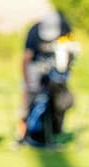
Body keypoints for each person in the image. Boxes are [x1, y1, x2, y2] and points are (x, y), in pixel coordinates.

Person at [17, 9, 74, 144]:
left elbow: (69, 52)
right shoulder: (34, 32)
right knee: (28, 102)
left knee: (58, 102)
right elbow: (26, 59)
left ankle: (51, 133)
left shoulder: (64, 28)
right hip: (34, 68)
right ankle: (22, 135)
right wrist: (27, 82)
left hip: (55, 72)